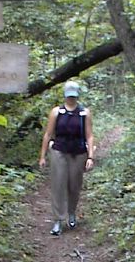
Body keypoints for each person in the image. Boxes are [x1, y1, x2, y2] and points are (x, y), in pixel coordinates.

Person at [39, 80, 95, 235]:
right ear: (65, 95)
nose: (71, 99)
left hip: (78, 153)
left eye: (74, 96)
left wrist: (91, 156)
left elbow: (89, 136)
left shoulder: (84, 113)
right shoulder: (57, 112)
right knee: (58, 185)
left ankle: (71, 213)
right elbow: (48, 134)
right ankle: (58, 219)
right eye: (69, 96)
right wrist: (42, 156)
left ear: (77, 96)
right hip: (59, 151)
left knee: (74, 185)